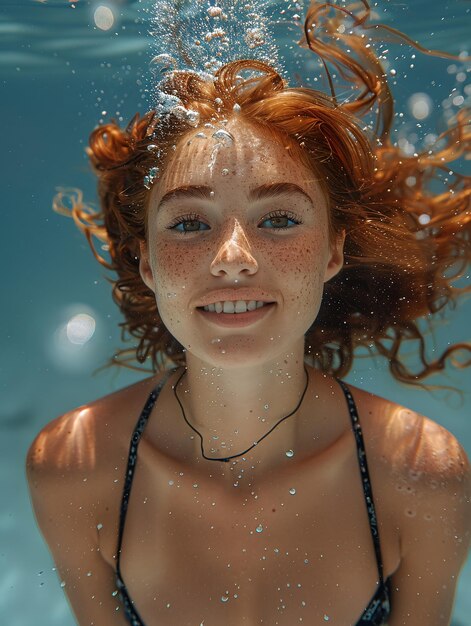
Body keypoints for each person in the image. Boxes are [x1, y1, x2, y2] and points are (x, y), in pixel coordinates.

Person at [26, 1, 470, 624]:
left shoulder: (420, 475)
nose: (232, 258)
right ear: (147, 262)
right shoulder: (75, 468)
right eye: (187, 223)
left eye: (280, 219)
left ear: (333, 251)